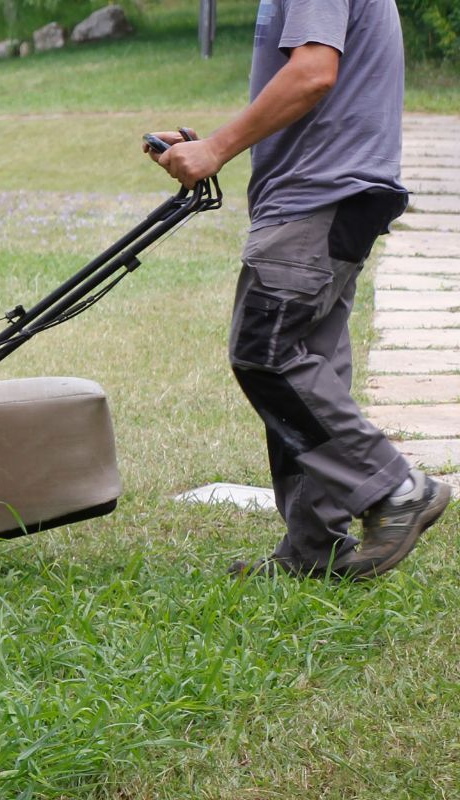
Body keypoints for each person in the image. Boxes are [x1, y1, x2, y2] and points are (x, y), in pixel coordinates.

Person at [145, 0, 450, 578]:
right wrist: (206, 142)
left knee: (267, 353)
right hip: (336, 194)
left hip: (317, 196)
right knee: (313, 371)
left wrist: (214, 149)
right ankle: (315, 549)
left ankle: (395, 489)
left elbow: (314, 73)